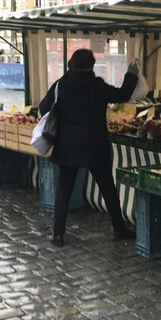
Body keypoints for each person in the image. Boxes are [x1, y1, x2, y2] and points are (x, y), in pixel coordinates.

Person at [38, 49, 139, 247]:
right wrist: (131, 75)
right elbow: (123, 94)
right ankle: (119, 229)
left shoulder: (61, 85)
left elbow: (43, 108)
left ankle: (57, 235)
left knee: (64, 189)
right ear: (92, 66)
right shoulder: (97, 86)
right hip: (95, 145)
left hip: (67, 146)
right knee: (108, 188)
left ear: (70, 64)